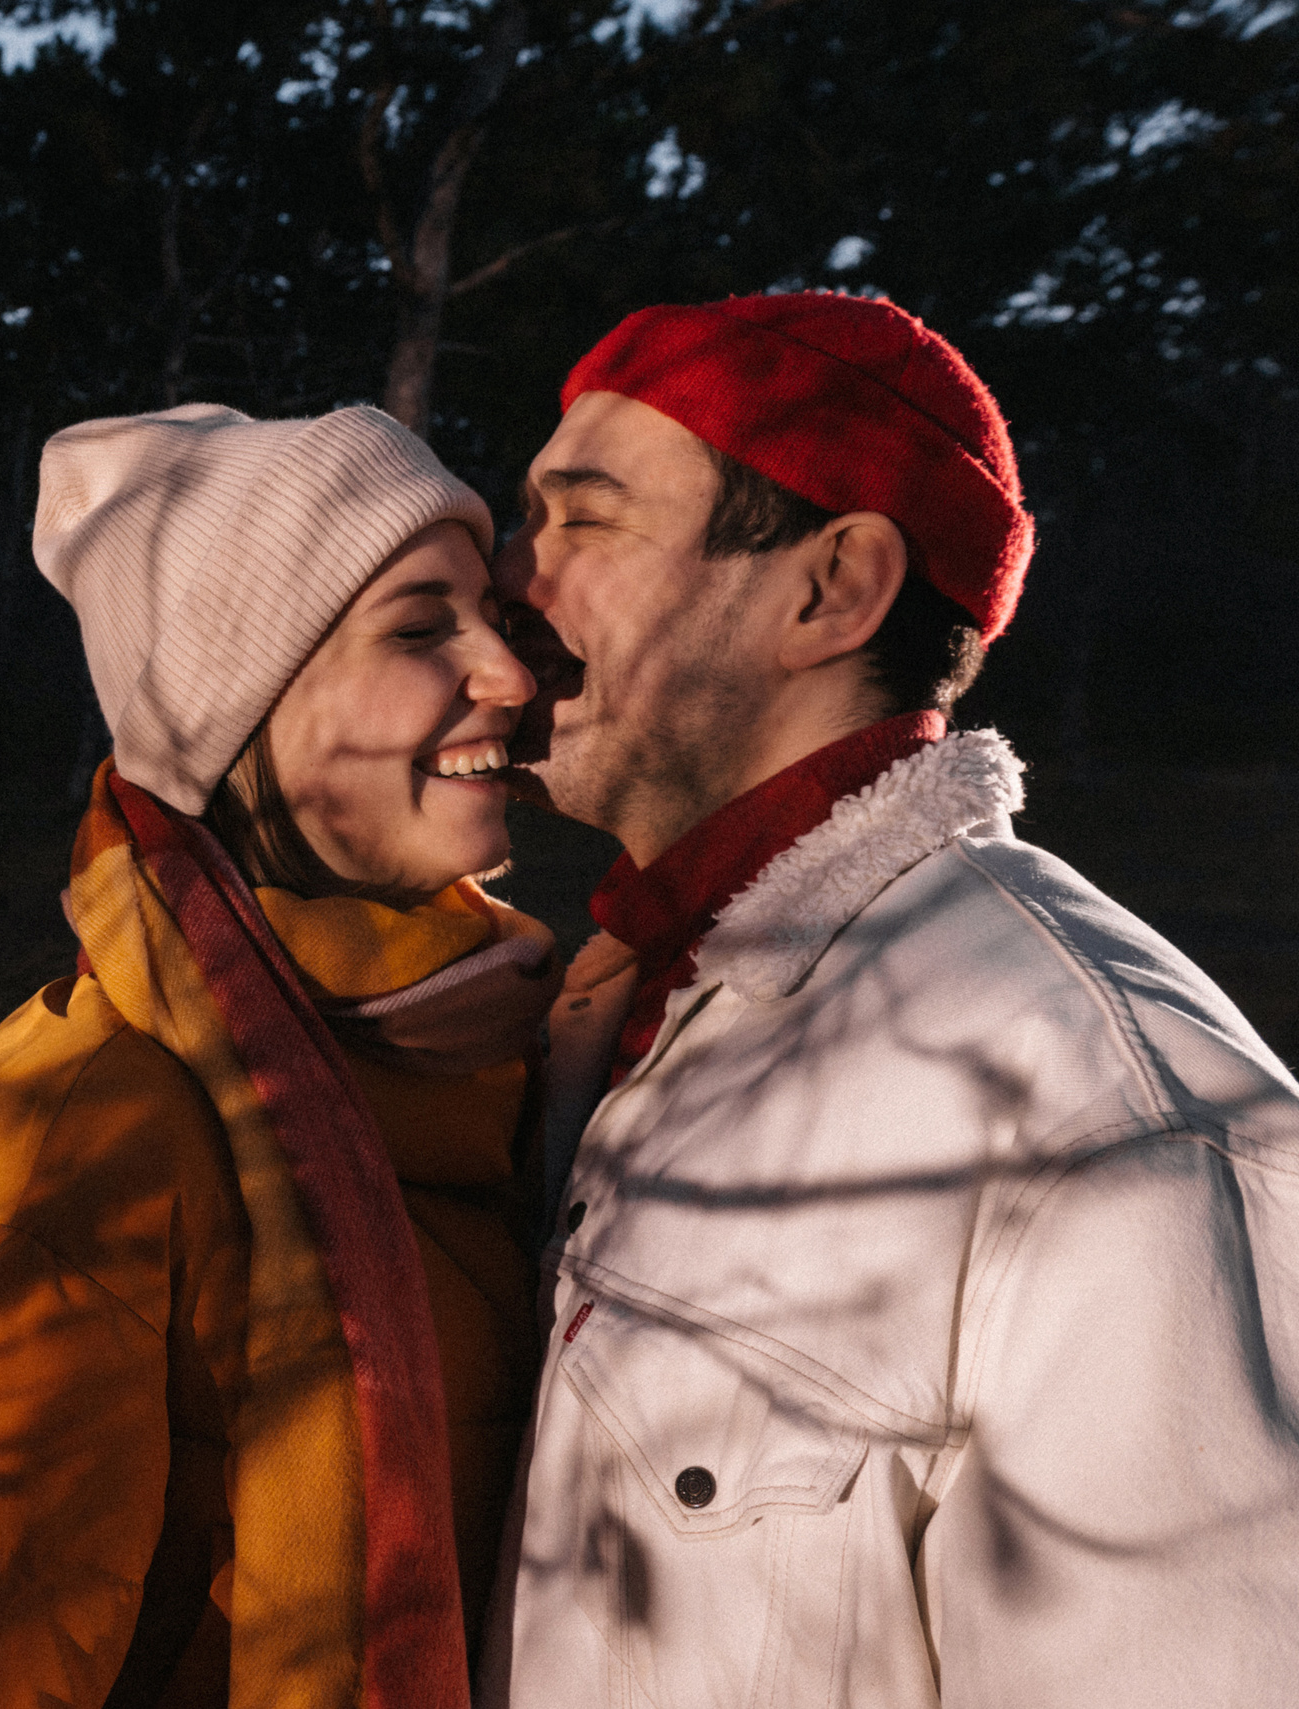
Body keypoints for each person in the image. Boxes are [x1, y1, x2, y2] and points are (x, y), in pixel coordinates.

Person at [479, 291, 1299, 1707]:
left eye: (584, 520)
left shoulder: (1104, 1123)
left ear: (833, 590)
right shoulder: (596, 1016)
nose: (510, 579)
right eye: (527, 517)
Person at [0, 401, 561, 1709]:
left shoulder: (497, 1084)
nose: (511, 675)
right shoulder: (52, 1157)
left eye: (493, 618)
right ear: (242, 710)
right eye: (419, 628)